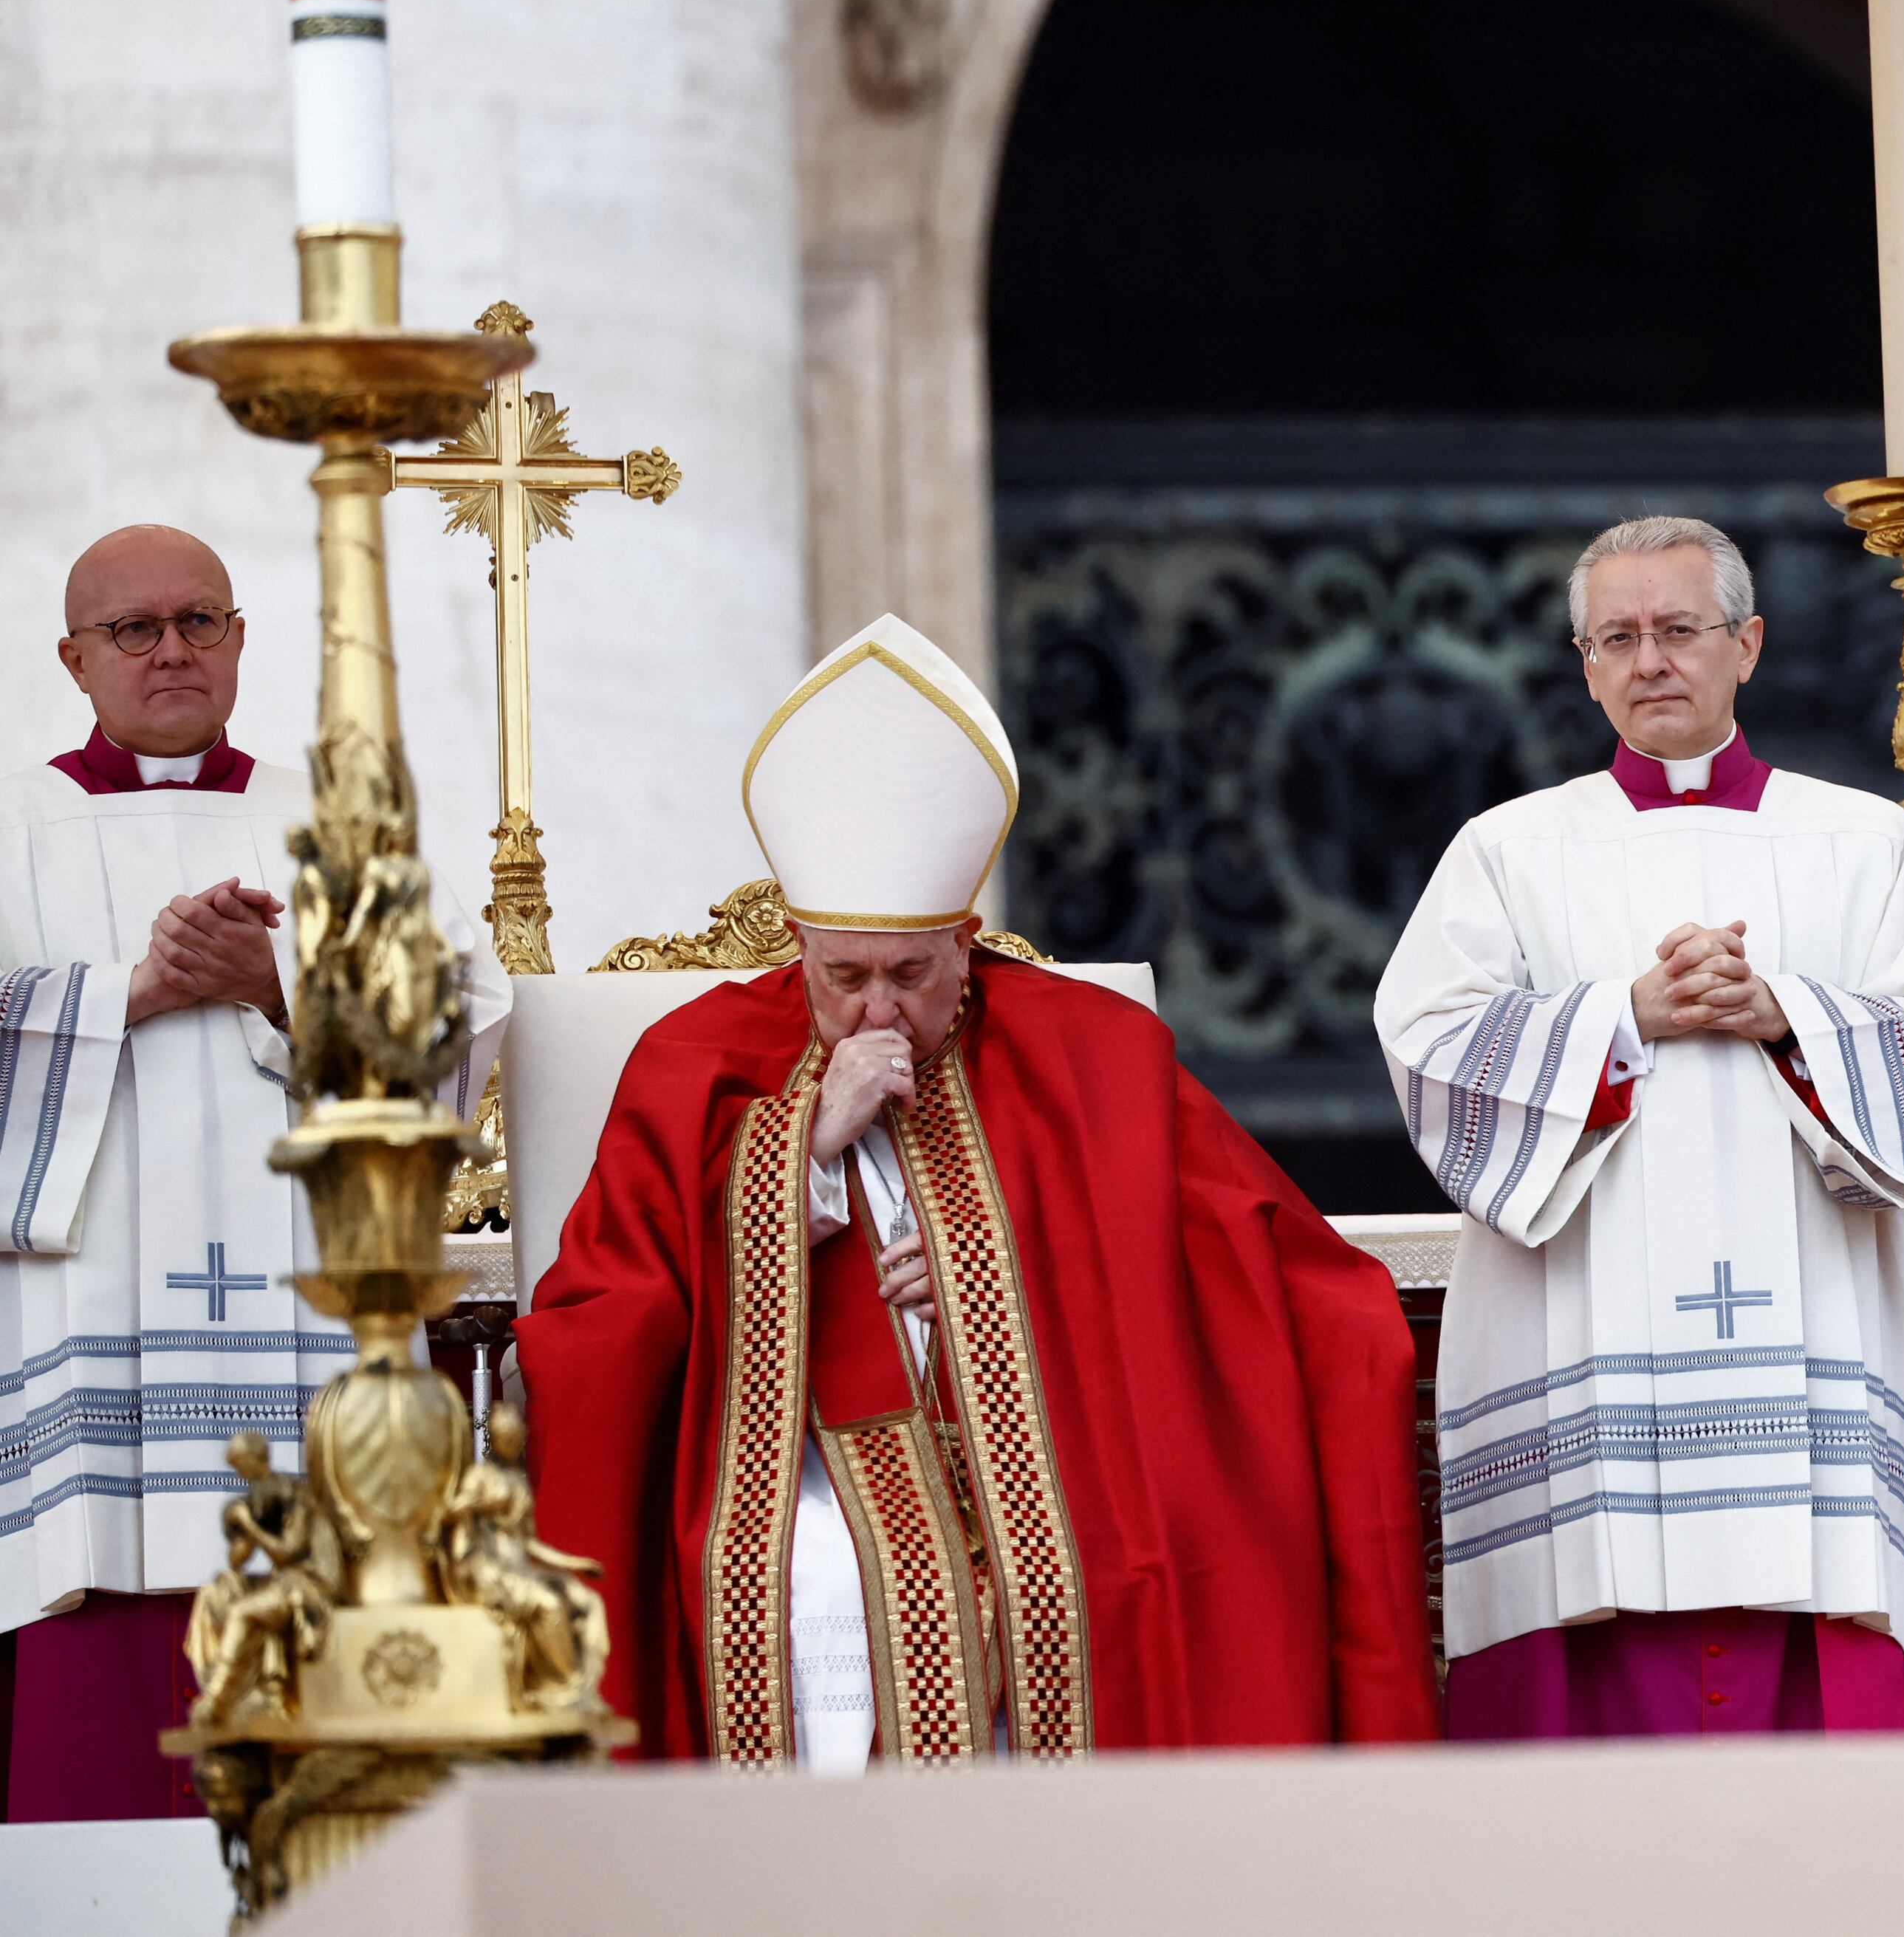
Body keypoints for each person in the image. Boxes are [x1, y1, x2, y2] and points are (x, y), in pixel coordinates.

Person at [518, 614, 1436, 1765]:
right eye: (842, 976)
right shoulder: (696, 1062)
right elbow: (596, 1321)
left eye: (911, 973)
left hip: (1061, 1456)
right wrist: (795, 1157)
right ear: (797, 946)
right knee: (821, 1582)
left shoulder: (1087, 1052)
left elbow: (1276, 1278)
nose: (878, 1009)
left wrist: (1003, 1283)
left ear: (969, 943)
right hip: (800, 1475)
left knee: (1109, 1573)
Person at [1374, 516, 1904, 1737]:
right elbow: (1432, 1050)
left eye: (1678, 629)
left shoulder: (1866, 840)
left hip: (1820, 1310)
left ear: (1748, 644)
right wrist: (1623, 1016)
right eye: (1618, 636)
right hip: (1581, 1337)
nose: (1649, 659)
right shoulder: (1507, 850)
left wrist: (1786, 1014)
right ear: (1585, 659)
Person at [0, 528, 312, 1820]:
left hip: (309, 1310)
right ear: (74, 659)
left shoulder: (335, 815)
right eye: (134, 628)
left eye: (199, 618)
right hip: (96, 1323)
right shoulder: (18, 824)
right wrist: (132, 990)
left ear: (239, 637)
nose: (171, 646)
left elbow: (460, 1013)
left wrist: (283, 984)